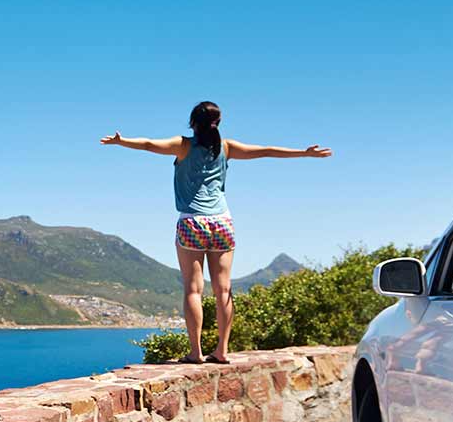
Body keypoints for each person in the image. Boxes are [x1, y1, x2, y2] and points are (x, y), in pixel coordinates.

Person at [100, 101, 332, 363]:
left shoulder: (183, 145)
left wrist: (122, 141)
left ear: (192, 122)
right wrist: (304, 153)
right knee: (223, 289)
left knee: (192, 289)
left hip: (192, 222)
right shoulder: (227, 147)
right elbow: (266, 151)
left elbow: (149, 144)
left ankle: (196, 352)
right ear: (218, 122)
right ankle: (222, 350)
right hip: (222, 222)